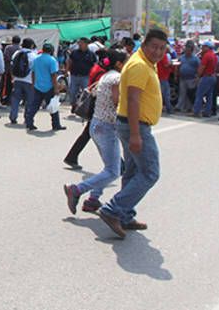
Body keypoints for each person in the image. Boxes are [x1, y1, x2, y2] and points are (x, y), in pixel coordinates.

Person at [98, 28, 167, 239]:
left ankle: (125, 215)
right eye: (154, 47)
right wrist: (136, 135)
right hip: (135, 125)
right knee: (150, 173)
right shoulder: (139, 65)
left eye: (162, 48)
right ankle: (113, 209)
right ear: (144, 45)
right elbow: (134, 99)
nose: (158, 52)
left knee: (133, 171)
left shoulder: (144, 63)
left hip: (131, 124)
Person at [64, 48, 128, 215]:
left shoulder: (106, 76)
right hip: (107, 127)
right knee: (114, 171)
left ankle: (93, 200)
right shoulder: (116, 78)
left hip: (97, 125)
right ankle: (77, 190)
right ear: (119, 64)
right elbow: (117, 101)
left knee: (112, 168)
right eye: (126, 62)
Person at [63, 48, 109, 169]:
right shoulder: (102, 73)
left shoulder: (97, 69)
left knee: (91, 135)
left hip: (95, 107)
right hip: (98, 108)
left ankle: (72, 156)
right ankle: (119, 165)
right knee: (104, 138)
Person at [25, 42, 66, 131]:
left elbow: (33, 72)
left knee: (34, 106)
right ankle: (56, 125)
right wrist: (56, 88)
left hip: (38, 86)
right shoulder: (52, 60)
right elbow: (53, 75)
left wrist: (33, 83)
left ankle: (29, 123)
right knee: (53, 106)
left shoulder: (36, 59)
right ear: (51, 50)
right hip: (49, 87)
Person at [9, 38, 36, 125]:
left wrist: (13, 77)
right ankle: (27, 118)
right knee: (29, 100)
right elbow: (34, 70)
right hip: (29, 80)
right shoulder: (33, 55)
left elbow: (12, 65)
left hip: (17, 79)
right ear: (31, 45)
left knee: (16, 99)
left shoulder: (17, 53)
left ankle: (13, 117)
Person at [67, 38, 97, 106]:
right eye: (79, 43)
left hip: (86, 76)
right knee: (72, 92)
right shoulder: (74, 52)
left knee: (86, 93)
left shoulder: (91, 54)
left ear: (86, 44)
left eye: (81, 43)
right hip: (75, 75)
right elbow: (69, 61)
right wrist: (67, 70)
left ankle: (82, 108)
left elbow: (94, 65)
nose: (80, 45)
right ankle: (73, 104)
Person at [193, 40, 218, 117]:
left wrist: (198, 76)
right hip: (212, 77)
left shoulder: (206, 55)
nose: (202, 48)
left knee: (199, 94)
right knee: (209, 96)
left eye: (203, 47)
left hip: (206, 77)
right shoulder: (214, 55)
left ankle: (197, 111)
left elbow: (202, 67)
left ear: (207, 47)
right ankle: (207, 112)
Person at [175, 41, 200, 112]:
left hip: (191, 79)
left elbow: (199, 68)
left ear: (191, 51)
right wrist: (176, 75)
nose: (187, 51)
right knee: (182, 93)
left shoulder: (195, 59)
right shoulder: (182, 57)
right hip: (182, 78)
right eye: (186, 50)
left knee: (190, 94)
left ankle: (189, 107)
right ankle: (179, 106)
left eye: (188, 50)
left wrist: (197, 77)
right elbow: (178, 66)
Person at [1, 35, 21, 106]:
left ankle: (5, 100)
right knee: (15, 86)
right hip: (18, 71)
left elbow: (5, 57)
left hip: (8, 70)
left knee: (6, 86)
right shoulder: (20, 49)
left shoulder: (8, 48)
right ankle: (14, 100)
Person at [157, 46, 174, 115]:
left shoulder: (159, 55)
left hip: (160, 76)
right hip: (163, 77)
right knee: (166, 94)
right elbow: (166, 65)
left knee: (161, 94)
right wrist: (171, 64)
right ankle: (169, 108)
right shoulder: (163, 56)